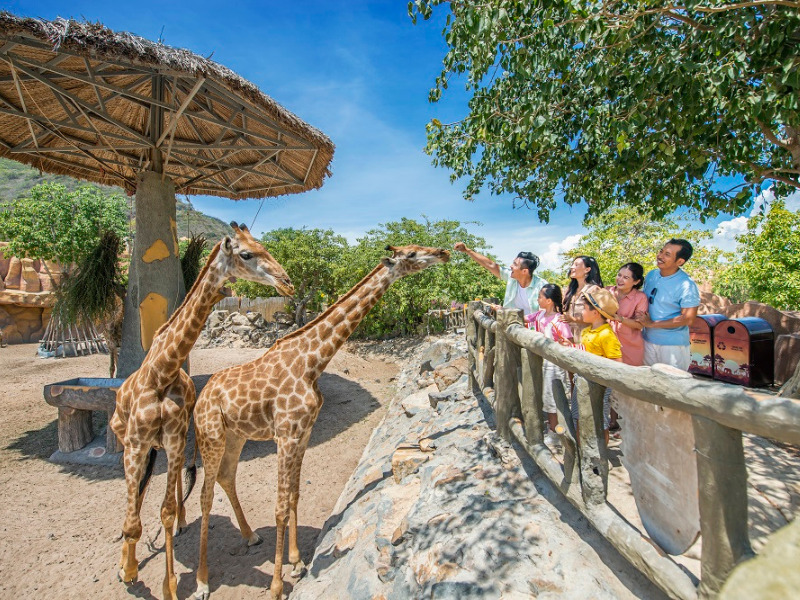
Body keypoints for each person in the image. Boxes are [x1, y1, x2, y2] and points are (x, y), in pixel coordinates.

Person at [569, 284, 623, 443]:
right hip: (582, 380)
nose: (581, 312)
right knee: (579, 415)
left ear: (595, 313)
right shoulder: (587, 331)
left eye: (585, 309)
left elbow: (616, 362)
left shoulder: (607, 335)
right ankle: (581, 449)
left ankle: (601, 451)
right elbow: (585, 351)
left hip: (599, 385)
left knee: (600, 419)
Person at [635, 239, 700, 371]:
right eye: (661, 251)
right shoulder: (652, 275)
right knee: (647, 381)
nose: (660, 256)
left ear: (680, 261)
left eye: (667, 254)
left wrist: (652, 324)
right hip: (647, 340)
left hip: (672, 346)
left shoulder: (686, 285)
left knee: (672, 382)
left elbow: (688, 318)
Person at [524, 284, 572, 442]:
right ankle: (552, 428)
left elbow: (568, 341)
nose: (538, 299)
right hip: (542, 361)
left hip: (554, 365)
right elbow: (524, 318)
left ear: (549, 300)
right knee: (546, 396)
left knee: (553, 397)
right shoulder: (539, 315)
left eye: (540, 297)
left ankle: (555, 431)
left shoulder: (559, 320)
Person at [606, 262, 648, 433]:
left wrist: (619, 319)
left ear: (636, 281)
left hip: (630, 346)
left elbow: (640, 324)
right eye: (619, 275)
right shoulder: (608, 292)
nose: (620, 279)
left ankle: (631, 424)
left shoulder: (640, 298)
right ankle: (613, 421)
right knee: (611, 383)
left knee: (628, 385)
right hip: (608, 344)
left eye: (626, 277)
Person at [453, 243, 547, 318]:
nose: (511, 266)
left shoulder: (542, 286)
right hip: (511, 328)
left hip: (533, 332)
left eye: (515, 264)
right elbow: (490, 265)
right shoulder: (511, 277)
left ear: (524, 271)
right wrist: (467, 250)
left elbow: (545, 314)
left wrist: (506, 311)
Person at [562, 256, 604, 341]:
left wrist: (573, 319)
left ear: (587, 269)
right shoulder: (568, 290)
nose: (572, 267)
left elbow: (597, 317)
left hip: (588, 339)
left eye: (576, 265)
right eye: (572, 264)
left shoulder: (594, 290)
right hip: (568, 339)